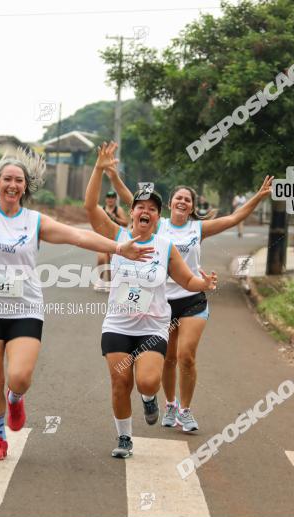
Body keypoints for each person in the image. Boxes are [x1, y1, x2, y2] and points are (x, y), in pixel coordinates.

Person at [0, 103, 154, 461]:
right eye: (7, 179)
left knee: (17, 377)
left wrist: (119, 248)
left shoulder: (35, 222)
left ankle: (16, 400)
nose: (13, 184)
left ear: (25, 187)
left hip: (24, 309)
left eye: (19, 180)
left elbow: (79, 237)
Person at [109, 151, 273, 434]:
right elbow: (130, 199)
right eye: (178, 197)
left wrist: (258, 197)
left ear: (192, 206)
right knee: (169, 358)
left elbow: (235, 218)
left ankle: (185, 410)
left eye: (188, 199)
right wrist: (112, 174)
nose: (183, 201)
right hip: (162, 302)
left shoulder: (199, 228)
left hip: (192, 299)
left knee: (186, 355)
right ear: (170, 204)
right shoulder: (157, 224)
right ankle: (169, 404)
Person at [87, 142, 217, 458]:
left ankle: (150, 398)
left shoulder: (165, 247)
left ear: (158, 217)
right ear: (132, 213)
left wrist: (205, 283)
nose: (146, 211)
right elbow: (90, 208)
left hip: (152, 327)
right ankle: (124, 438)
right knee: (120, 383)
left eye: (153, 209)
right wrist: (99, 169)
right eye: (141, 207)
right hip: (118, 324)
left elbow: (187, 280)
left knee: (146, 382)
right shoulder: (117, 237)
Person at [94, 191, 129, 291]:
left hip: (114, 239)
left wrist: (114, 217)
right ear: (106, 199)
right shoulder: (102, 209)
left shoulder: (119, 209)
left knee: (110, 259)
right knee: (101, 258)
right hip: (103, 237)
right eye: (108, 197)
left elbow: (125, 223)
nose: (110, 199)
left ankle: (109, 281)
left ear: (115, 199)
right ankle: (101, 279)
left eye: (112, 197)